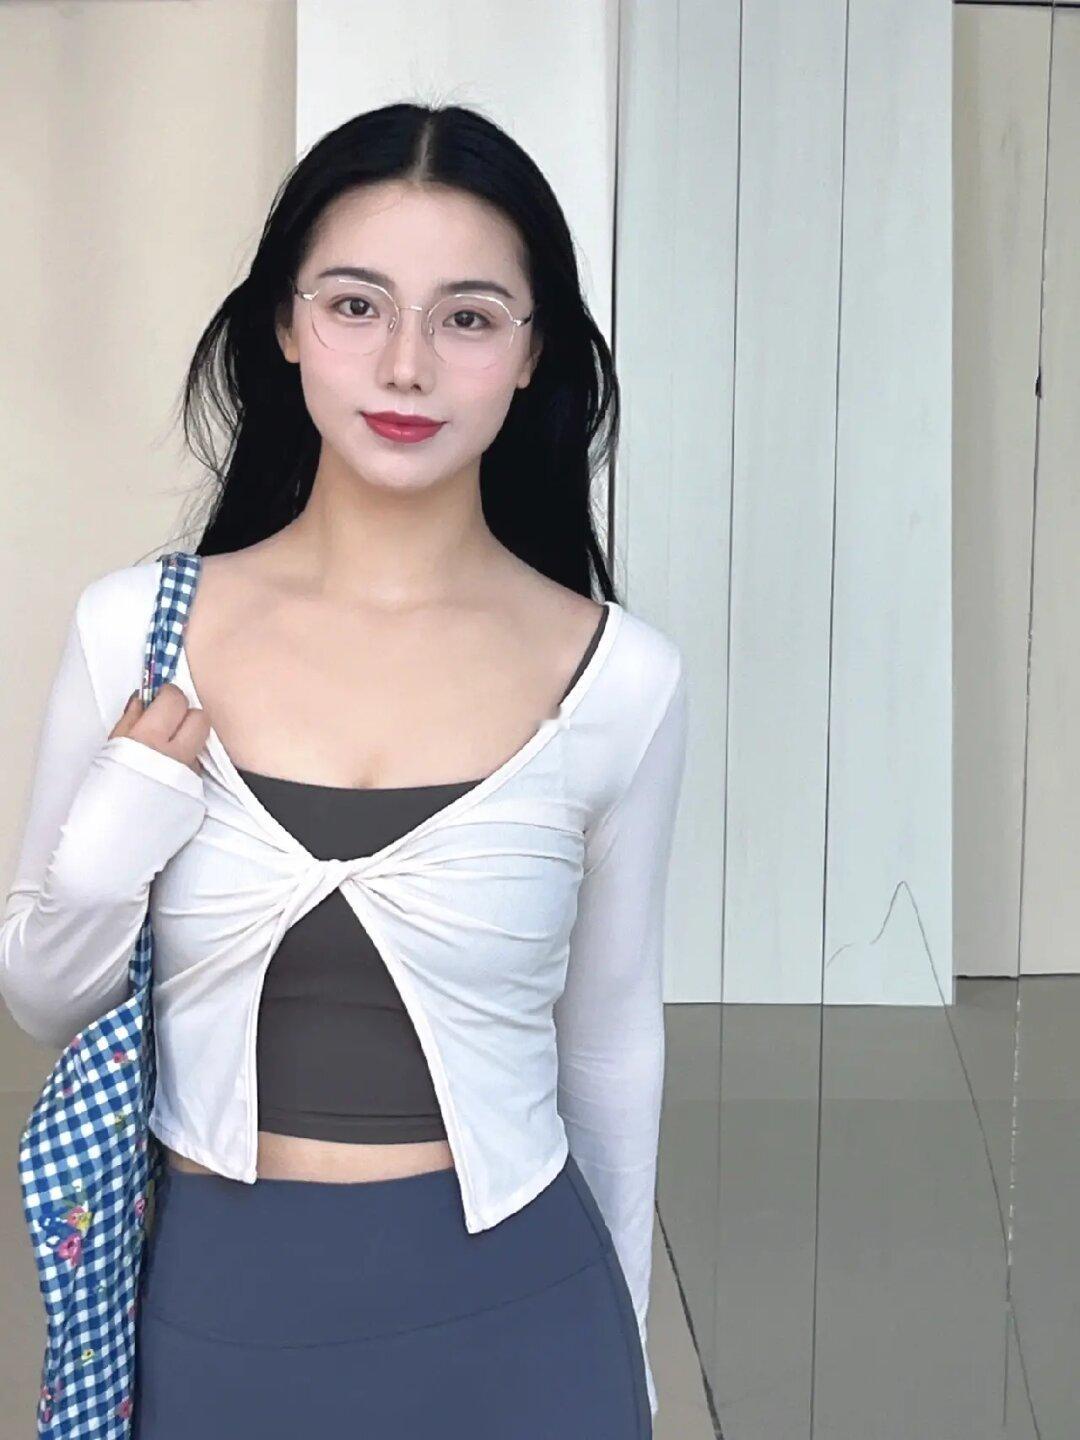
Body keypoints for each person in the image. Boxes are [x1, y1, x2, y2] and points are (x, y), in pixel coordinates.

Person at [0, 102, 688, 1438]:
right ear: (285, 321)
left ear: (534, 352)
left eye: (468, 317)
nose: (407, 365)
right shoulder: (136, 632)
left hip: (526, 1330)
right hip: (215, 1324)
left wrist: (634, 1370)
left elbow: (611, 1047)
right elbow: (41, 993)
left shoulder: (621, 680)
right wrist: (127, 816)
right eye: (357, 305)